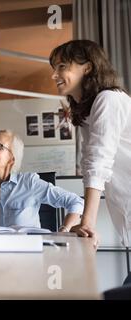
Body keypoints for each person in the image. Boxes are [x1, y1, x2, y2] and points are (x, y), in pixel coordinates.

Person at [50, 40, 131, 247]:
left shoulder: (109, 99)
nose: (54, 75)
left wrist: (87, 221)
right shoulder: (88, 112)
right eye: (54, 68)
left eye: (62, 66)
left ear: (87, 67)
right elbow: (90, 164)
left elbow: (98, 162)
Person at [0, 130, 83, 232]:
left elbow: (75, 202)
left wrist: (65, 229)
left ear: (12, 158)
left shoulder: (30, 183)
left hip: (30, 255)